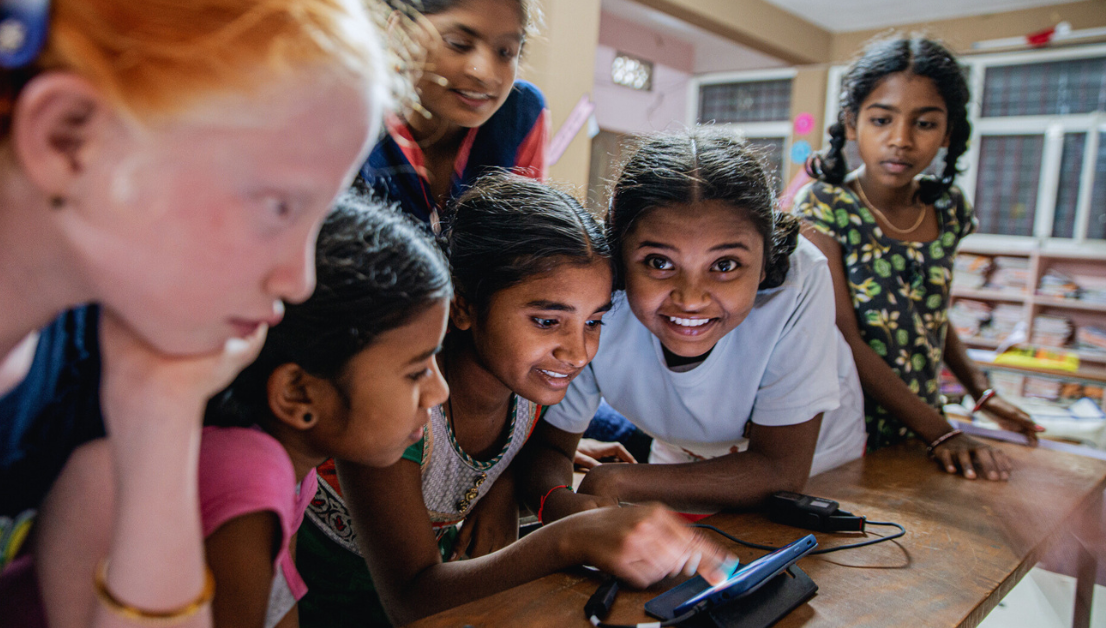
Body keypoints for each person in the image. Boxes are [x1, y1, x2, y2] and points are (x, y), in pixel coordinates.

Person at [0, 0, 385, 625]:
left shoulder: (87, 343)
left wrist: (160, 406)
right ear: (68, 135)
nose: (299, 280)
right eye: (276, 206)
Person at [297, 173, 735, 627]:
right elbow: (410, 598)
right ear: (462, 305)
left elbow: (527, 456)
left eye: (593, 322)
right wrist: (571, 537)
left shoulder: (531, 389)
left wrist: (503, 488)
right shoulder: (400, 406)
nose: (577, 352)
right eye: (547, 321)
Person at [35, 194, 451, 628]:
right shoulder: (249, 474)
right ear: (297, 394)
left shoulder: (291, 464)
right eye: (416, 371)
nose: (438, 391)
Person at [527, 129, 867, 521]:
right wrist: (557, 501)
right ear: (620, 252)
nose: (690, 298)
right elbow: (551, 448)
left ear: (766, 259)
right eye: (659, 262)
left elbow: (780, 469)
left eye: (724, 266)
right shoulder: (597, 294)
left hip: (814, 471)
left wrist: (618, 480)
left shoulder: (798, 281)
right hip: (680, 461)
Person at [795, 36, 1042, 481]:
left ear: (948, 133)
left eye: (924, 124)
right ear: (852, 124)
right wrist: (942, 432)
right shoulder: (824, 207)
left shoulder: (948, 209)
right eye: (881, 119)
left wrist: (980, 394)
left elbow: (929, 314)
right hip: (846, 426)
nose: (901, 140)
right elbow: (842, 337)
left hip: (921, 424)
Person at [359, 0, 548, 231]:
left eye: (505, 52)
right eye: (459, 44)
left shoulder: (521, 115)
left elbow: (520, 251)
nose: (485, 73)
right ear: (400, 33)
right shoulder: (354, 114)